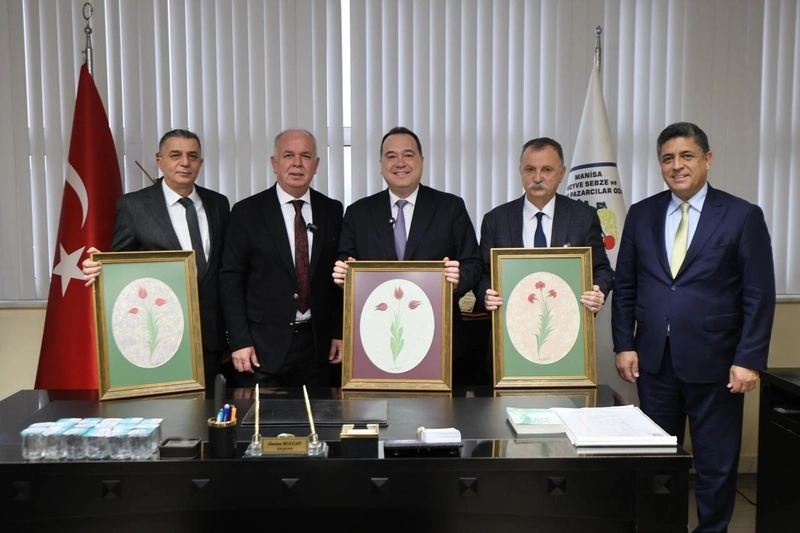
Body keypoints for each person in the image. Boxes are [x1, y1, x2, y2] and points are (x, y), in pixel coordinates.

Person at [612, 122, 776, 532]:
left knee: (715, 465)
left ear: (707, 159)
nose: (677, 165)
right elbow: (626, 285)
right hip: (654, 362)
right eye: (668, 158)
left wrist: (749, 359)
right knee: (655, 463)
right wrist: (624, 344)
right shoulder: (641, 214)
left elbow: (759, 294)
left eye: (687, 156)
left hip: (718, 364)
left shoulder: (741, 215)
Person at [82, 129, 231, 393]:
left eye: (192, 156)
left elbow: (226, 269)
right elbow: (120, 266)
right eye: (175, 155)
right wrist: (99, 268)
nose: (184, 162)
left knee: (211, 412)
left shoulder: (218, 204)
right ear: (159, 161)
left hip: (212, 339)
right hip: (160, 337)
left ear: (200, 162)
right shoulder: (134, 206)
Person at [332, 126, 483, 386]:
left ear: (421, 161)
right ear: (381, 165)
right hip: (376, 342)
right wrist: (343, 274)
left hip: (440, 339)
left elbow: (473, 263)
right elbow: (345, 263)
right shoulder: (358, 213)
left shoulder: (450, 207)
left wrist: (458, 278)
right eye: (391, 156)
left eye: (408, 155)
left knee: (441, 411)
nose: (400, 163)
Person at [220, 129, 343, 388]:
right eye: (288, 155)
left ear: (316, 164)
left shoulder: (332, 210)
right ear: (274, 163)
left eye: (305, 156)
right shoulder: (246, 212)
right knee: (262, 415)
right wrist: (239, 340)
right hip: (261, 349)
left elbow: (340, 281)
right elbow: (231, 280)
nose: (297, 163)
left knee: (318, 414)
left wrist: (339, 333)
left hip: (317, 348)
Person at [477, 137, 614, 312]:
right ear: (520, 171)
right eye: (530, 169)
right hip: (511, 320)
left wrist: (598, 291)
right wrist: (486, 295)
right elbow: (482, 273)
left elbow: (602, 269)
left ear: (562, 173)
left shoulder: (584, 217)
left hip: (567, 319)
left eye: (547, 170)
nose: (537, 177)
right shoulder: (495, 220)